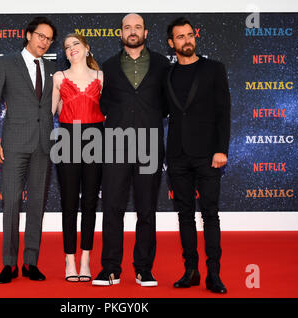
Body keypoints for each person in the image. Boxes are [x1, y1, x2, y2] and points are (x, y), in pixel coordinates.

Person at [91, 13, 170, 287]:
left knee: (146, 209)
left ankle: (144, 269)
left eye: (137, 27)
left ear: (146, 33)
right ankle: (110, 268)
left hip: (149, 145)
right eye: (127, 27)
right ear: (121, 33)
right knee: (112, 206)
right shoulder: (109, 66)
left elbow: (168, 103)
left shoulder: (162, 64)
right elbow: (102, 104)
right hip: (115, 144)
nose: (132, 31)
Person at [0, 17, 57, 284]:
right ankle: (9, 264)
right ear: (28, 35)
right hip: (13, 144)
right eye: (40, 36)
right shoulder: (5, 62)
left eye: (49, 39)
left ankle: (31, 262)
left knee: (37, 203)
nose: (44, 42)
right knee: (12, 202)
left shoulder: (52, 68)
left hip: (43, 145)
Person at [165, 17, 231, 293]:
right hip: (178, 155)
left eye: (189, 35)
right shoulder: (166, 75)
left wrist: (221, 149)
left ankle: (213, 274)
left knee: (210, 215)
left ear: (195, 37)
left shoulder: (214, 69)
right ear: (172, 43)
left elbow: (223, 111)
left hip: (208, 155)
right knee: (184, 215)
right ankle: (190, 271)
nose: (186, 40)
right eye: (180, 37)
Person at [51, 33, 104, 282]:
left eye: (76, 44)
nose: (71, 49)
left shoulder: (101, 76)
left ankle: (86, 258)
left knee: (91, 202)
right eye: (67, 46)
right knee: (70, 201)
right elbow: (50, 111)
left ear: (87, 48)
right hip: (67, 138)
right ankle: (69, 259)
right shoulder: (59, 77)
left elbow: (109, 110)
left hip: (96, 138)